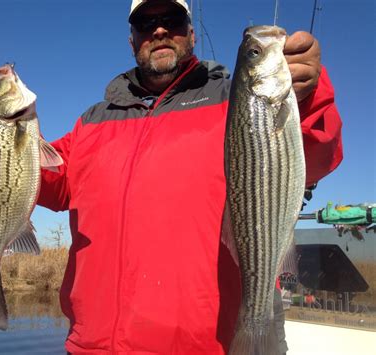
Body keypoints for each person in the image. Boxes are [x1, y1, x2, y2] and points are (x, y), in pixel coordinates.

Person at [37, 0, 343, 353]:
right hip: (92, 346)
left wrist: (308, 97)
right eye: (145, 22)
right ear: (132, 40)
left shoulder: (235, 99)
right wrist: (4, 145)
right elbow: (45, 182)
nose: (160, 29)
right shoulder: (92, 120)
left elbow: (315, 155)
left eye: (173, 19)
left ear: (192, 32)